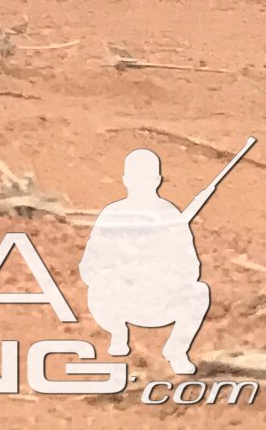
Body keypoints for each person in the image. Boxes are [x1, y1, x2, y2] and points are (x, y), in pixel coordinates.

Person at [78, 148, 211, 375]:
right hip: (120, 301)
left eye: (146, 178)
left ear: (157, 180)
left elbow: (191, 268)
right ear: (126, 181)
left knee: (200, 291)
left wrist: (161, 272)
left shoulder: (170, 216)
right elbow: (89, 266)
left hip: (159, 301)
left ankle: (176, 350)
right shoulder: (113, 214)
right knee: (101, 286)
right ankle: (118, 334)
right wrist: (123, 270)